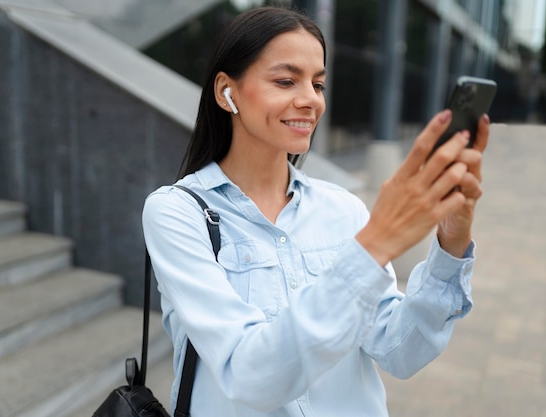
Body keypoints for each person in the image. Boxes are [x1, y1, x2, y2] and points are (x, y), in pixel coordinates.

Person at [142, 6, 489, 417]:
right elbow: (247, 373)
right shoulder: (176, 212)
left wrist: (451, 242)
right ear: (225, 92)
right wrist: (376, 242)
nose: (310, 100)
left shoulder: (342, 209)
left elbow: (400, 350)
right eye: (286, 80)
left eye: (318, 84)